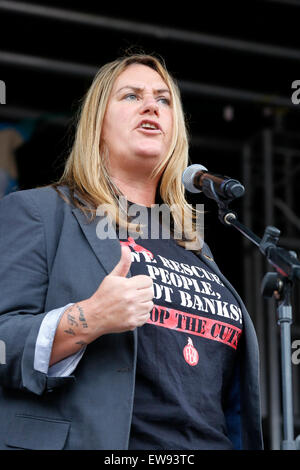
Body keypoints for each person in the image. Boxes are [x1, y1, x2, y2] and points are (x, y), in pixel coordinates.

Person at [0, 53, 263, 450]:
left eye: (163, 100)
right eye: (131, 96)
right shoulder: (41, 214)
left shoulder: (195, 246)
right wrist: (89, 318)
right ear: (98, 127)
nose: (150, 106)